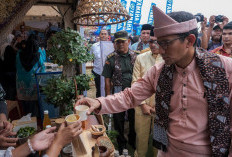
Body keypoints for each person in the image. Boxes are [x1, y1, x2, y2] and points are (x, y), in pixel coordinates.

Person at [76, 6, 232, 157]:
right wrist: (99, 103)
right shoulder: (159, 71)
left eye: (166, 43)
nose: (160, 50)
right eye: (158, 42)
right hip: (167, 150)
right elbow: (130, 96)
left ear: (190, 41)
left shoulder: (224, 69)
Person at [102, 30, 137, 154]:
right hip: (118, 92)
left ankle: (133, 141)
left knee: (134, 118)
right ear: (114, 44)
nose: (120, 44)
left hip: (134, 93)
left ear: (128, 42)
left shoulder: (136, 56)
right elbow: (107, 80)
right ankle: (121, 144)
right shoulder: (110, 59)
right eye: (118, 42)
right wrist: (108, 99)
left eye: (123, 41)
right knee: (118, 119)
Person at [133, 28, 163, 157]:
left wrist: (161, 104)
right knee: (141, 139)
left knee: (160, 140)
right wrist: (143, 104)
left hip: (162, 107)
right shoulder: (140, 58)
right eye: (151, 41)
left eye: (157, 41)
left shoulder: (168, 59)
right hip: (141, 106)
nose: (154, 45)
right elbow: (135, 83)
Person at [16, 34, 45, 116]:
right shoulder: (37, 55)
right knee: (33, 105)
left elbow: (16, 66)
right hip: (32, 83)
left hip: (21, 82)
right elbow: (42, 67)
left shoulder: (19, 54)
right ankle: (34, 120)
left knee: (25, 104)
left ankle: (26, 119)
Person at [90, 29, 109, 98]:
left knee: (108, 89)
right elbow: (92, 58)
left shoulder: (111, 46)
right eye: (102, 34)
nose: (103, 35)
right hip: (97, 72)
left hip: (108, 73)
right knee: (99, 89)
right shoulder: (94, 46)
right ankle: (98, 106)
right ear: (99, 35)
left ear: (108, 36)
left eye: (105, 34)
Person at [0, 34, 17, 100]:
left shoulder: (2, 46)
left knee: (5, 87)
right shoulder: (9, 48)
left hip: (3, 71)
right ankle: (11, 103)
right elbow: (12, 60)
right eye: (12, 39)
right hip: (9, 71)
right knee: (11, 88)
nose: (13, 41)